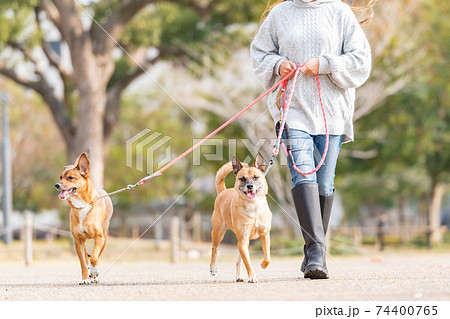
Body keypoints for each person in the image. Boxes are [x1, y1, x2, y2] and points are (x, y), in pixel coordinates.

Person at [250, 0, 372, 279]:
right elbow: (259, 53)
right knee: (303, 173)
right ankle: (318, 253)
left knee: (325, 182)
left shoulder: (339, 12)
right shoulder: (281, 13)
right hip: (293, 110)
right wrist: (278, 64)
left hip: (332, 112)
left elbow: (361, 59)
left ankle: (312, 250)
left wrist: (325, 64)